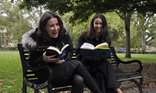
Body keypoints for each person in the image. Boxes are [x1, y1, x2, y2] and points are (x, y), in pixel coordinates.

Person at [21, 11, 103, 93]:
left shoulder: (64, 35)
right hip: (45, 73)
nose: (56, 28)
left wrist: (64, 59)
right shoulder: (37, 39)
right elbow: (31, 63)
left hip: (63, 71)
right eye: (51, 26)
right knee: (77, 63)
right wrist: (43, 59)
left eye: (57, 24)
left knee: (79, 79)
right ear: (44, 27)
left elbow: (70, 51)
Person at [77, 13, 123, 93]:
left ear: (104, 25)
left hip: (100, 66)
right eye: (96, 23)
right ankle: (117, 90)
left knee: (101, 76)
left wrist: (99, 56)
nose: (98, 26)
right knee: (106, 65)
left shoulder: (106, 38)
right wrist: (89, 56)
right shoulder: (84, 36)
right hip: (87, 65)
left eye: (100, 23)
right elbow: (79, 54)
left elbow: (106, 55)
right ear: (92, 24)